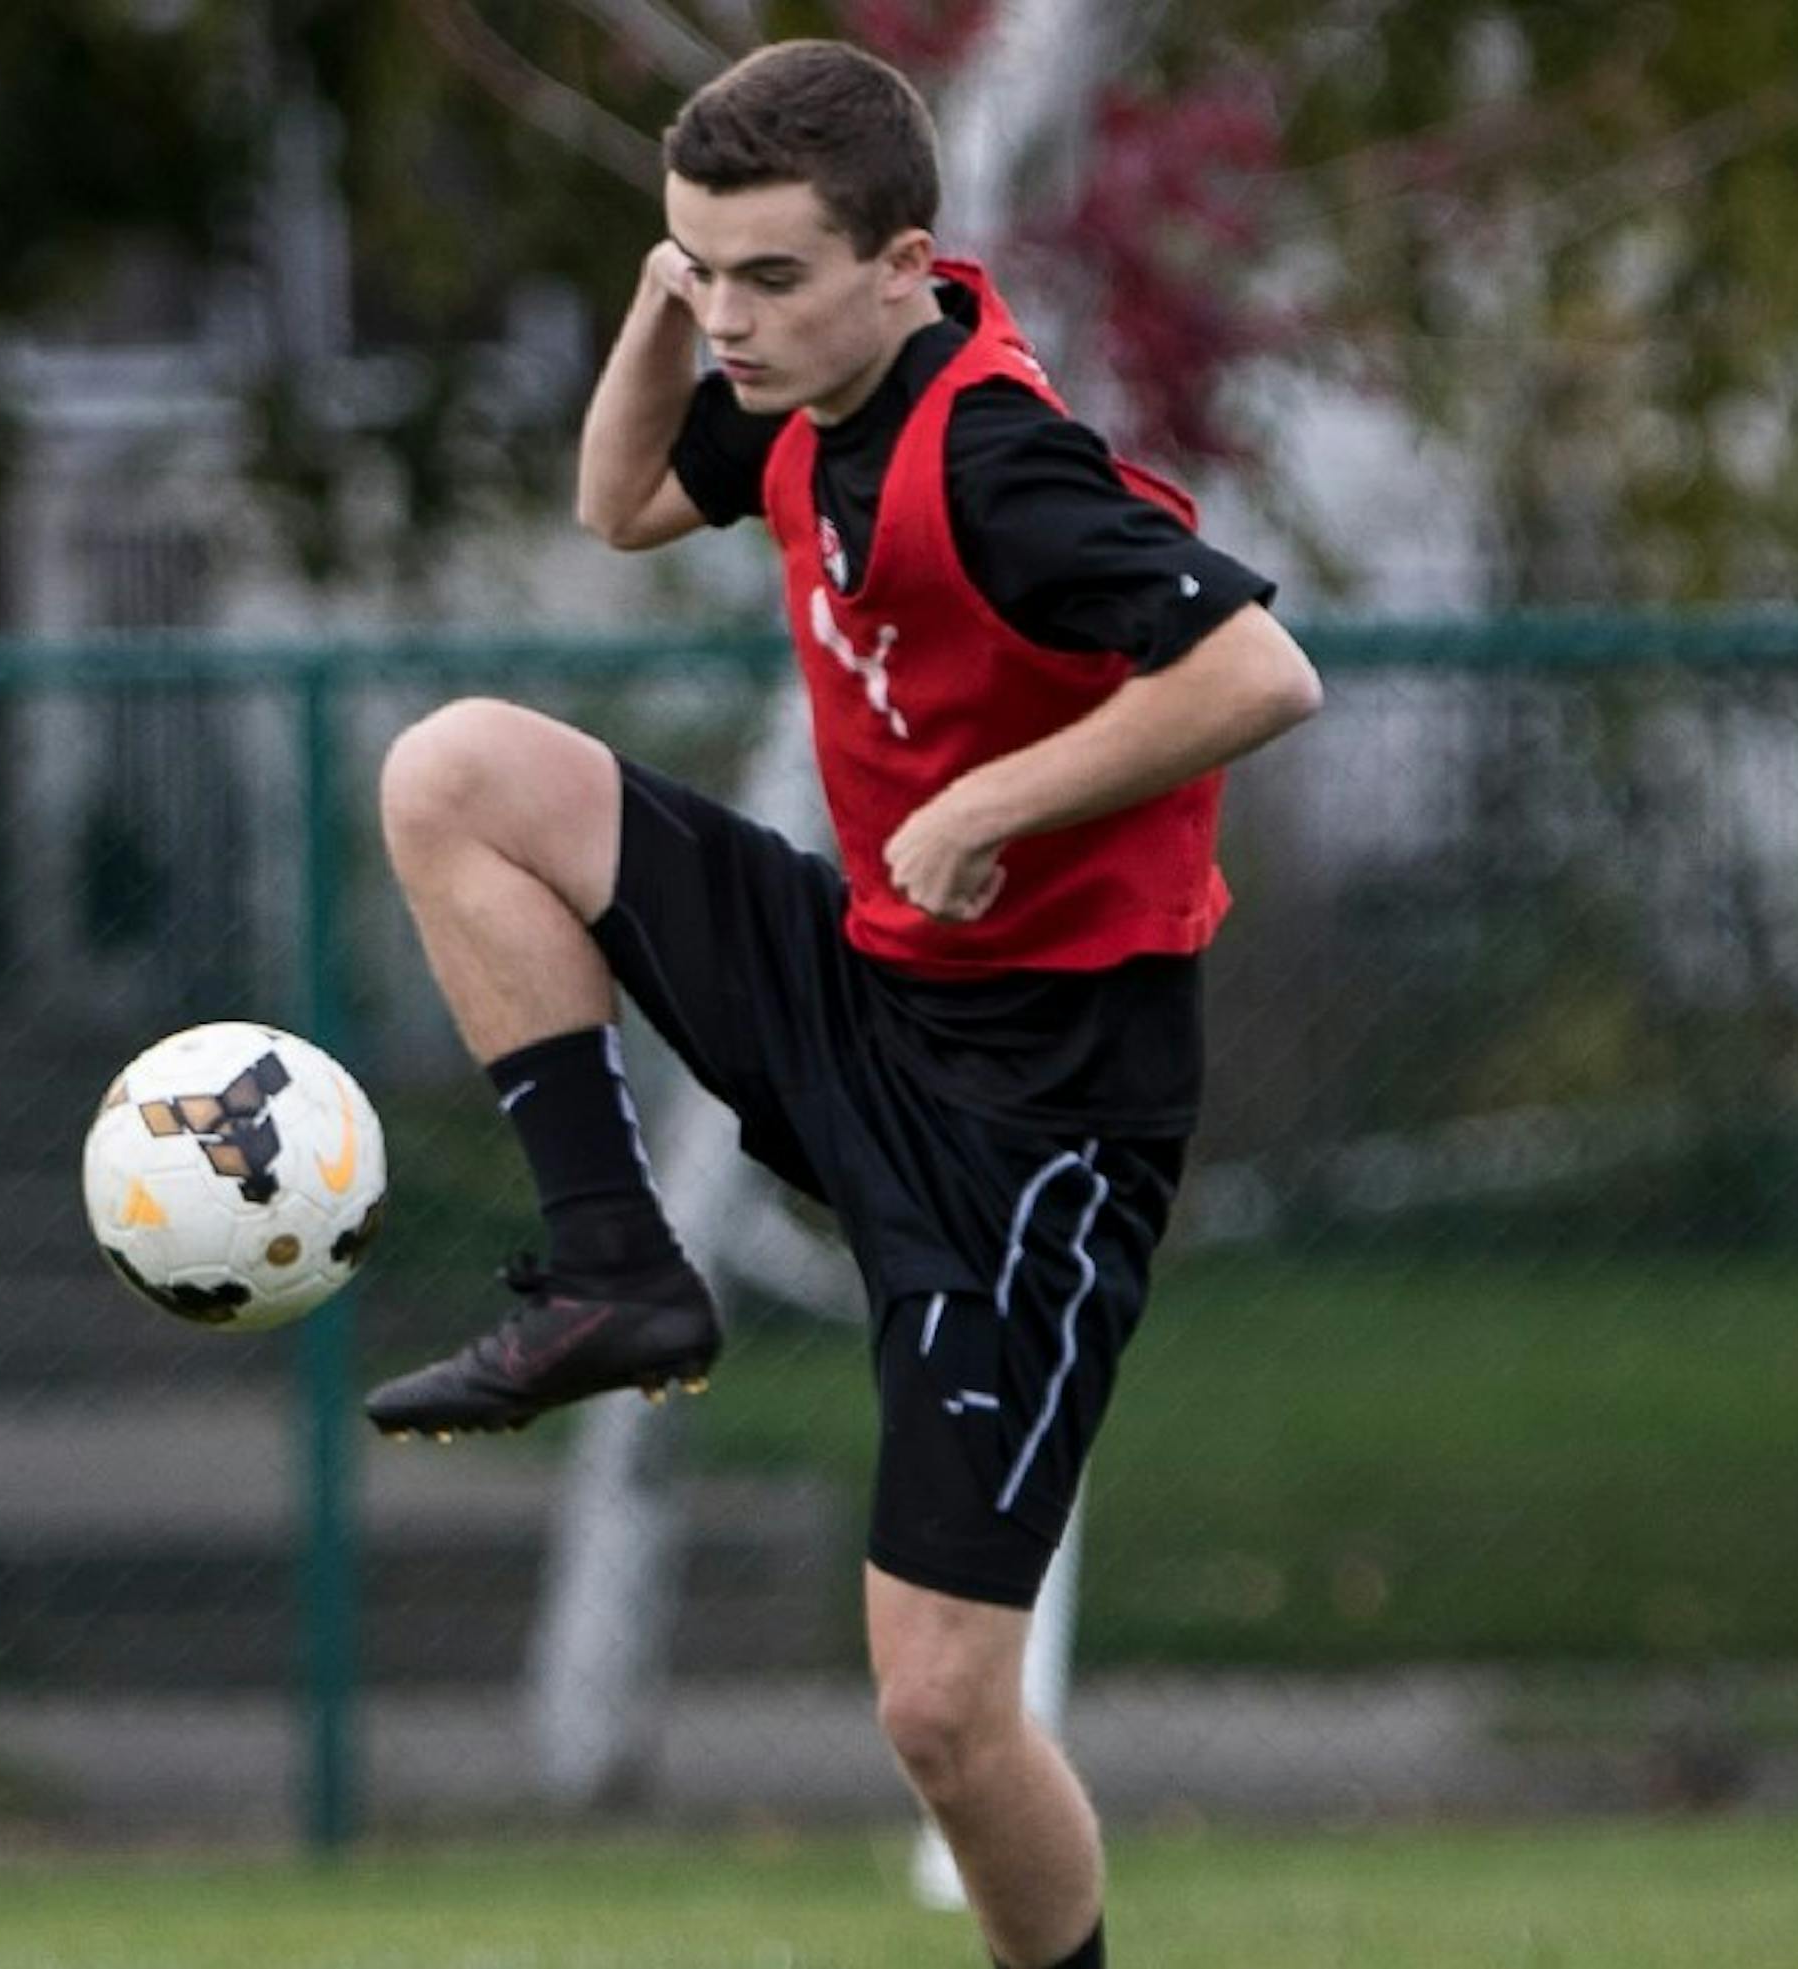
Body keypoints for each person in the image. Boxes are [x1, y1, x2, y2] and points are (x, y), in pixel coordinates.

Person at [365, 37, 1321, 1969]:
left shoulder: (991, 458)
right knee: (457, 774)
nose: (732, 318)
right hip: (865, 985)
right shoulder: (800, 394)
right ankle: (616, 1270)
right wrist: (671, 303)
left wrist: (990, 802)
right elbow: (617, 499)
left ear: (903, 266)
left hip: (1033, 1128)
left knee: (943, 1714)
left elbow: (1259, 673)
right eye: (703, 269)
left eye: (771, 276)